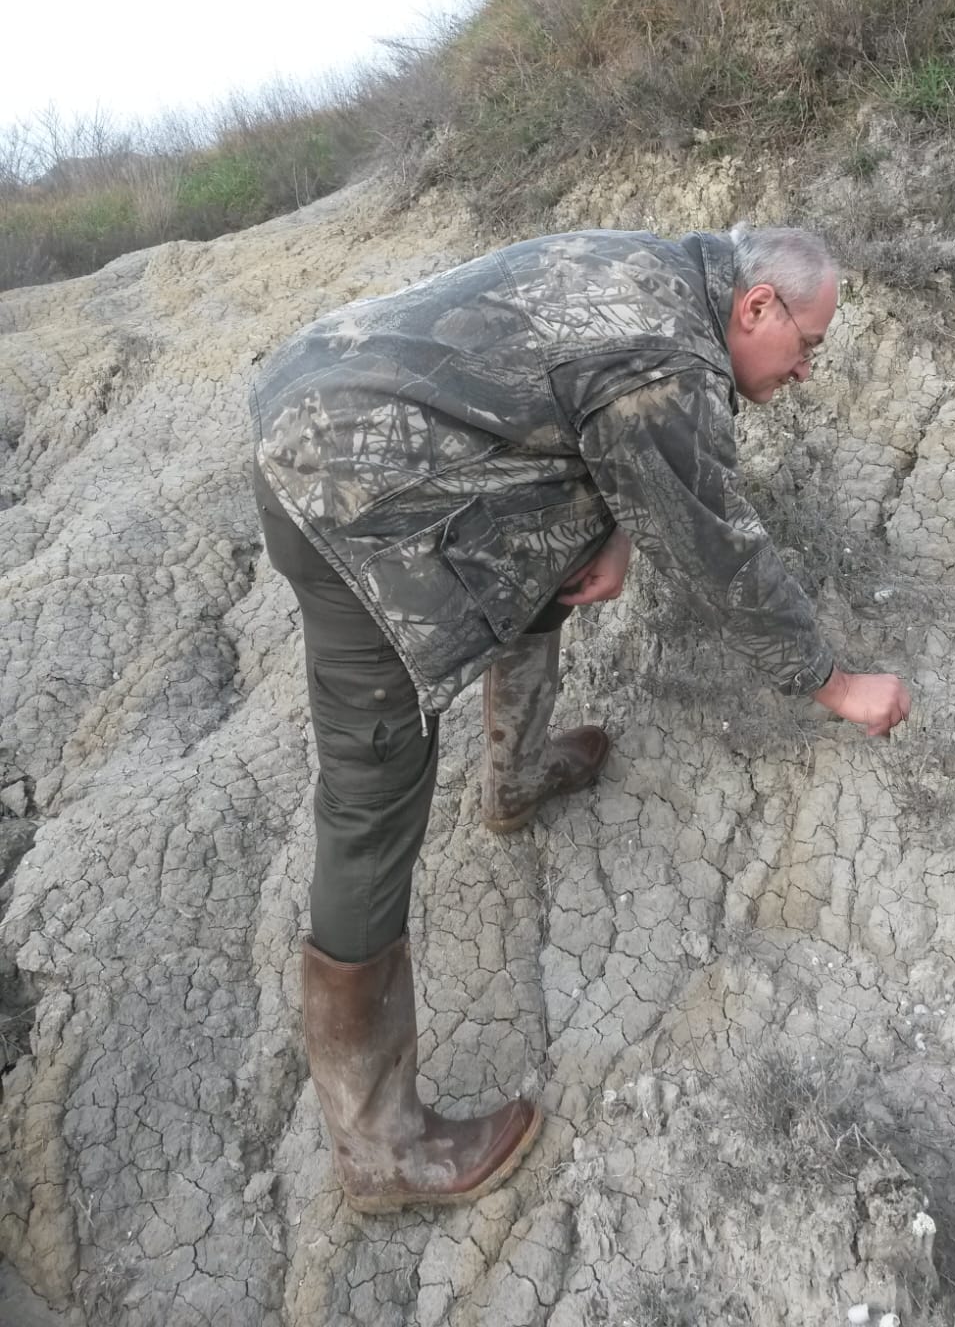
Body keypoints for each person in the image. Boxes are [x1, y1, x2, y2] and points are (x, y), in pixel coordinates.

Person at [249, 222, 911, 1212]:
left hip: (347, 387)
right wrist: (835, 682)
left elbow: (565, 399)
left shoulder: (663, 271)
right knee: (372, 801)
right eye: (808, 344)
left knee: (545, 540)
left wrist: (602, 530)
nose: (807, 369)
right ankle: (380, 1148)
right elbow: (719, 551)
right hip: (337, 479)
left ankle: (514, 779)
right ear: (758, 308)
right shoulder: (666, 358)